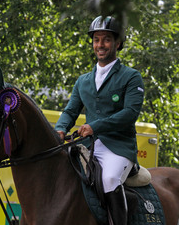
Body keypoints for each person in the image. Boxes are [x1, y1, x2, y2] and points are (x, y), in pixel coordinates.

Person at [55, 16, 145, 225]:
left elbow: (130, 113)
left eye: (106, 39)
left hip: (119, 147)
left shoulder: (131, 77)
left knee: (110, 179)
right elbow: (70, 111)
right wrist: (60, 128)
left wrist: (95, 126)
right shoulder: (83, 80)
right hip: (88, 146)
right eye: (96, 39)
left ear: (118, 43)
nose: (100, 45)